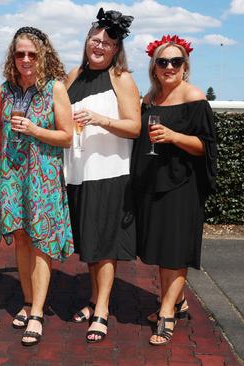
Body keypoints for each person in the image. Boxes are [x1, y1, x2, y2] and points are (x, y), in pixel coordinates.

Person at [0, 26, 74, 346]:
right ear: (13, 56)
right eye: (20, 53)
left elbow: (67, 136)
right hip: (12, 173)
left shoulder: (54, 89)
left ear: (43, 56)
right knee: (21, 238)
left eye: (32, 54)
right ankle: (26, 300)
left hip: (43, 176)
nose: (25, 59)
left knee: (40, 241)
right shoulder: (6, 90)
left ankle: (37, 311)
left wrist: (36, 129)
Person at [131, 34, 217, 346]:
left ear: (185, 66)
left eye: (175, 61)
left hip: (183, 185)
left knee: (176, 250)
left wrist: (174, 136)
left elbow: (205, 147)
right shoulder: (149, 99)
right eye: (162, 62)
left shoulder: (193, 97)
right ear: (153, 68)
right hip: (154, 182)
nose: (169, 67)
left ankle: (167, 312)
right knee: (161, 248)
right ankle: (177, 301)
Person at [64, 8, 140, 343]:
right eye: (95, 39)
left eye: (108, 42)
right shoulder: (73, 76)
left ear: (116, 49)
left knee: (105, 244)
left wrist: (100, 118)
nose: (100, 46)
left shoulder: (121, 77)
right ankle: (94, 298)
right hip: (78, 173)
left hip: (109, 173)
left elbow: (135, 127)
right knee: (90, 243)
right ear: (86, 42)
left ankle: (102, 310)